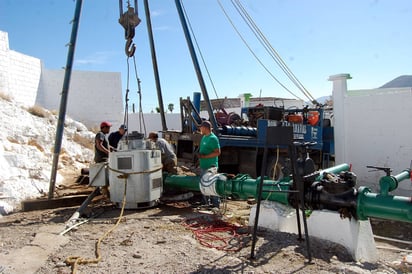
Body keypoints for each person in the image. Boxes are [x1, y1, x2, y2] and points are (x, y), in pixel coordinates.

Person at [198, 120, 221, 208]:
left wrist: (205, 157)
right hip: (204, 165)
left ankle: (216, 205)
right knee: (204, 185)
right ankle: (206, 203)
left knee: (212, 185)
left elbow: (217, 152)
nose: (200, 129)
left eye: (201, 127)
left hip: (211, 166)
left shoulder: (213, 138)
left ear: (205, 128)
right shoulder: (204, 137)